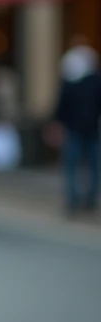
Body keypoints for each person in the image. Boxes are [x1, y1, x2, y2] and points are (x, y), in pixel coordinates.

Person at [49, 37, 101, 215]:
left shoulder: (70, 79)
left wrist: (56, 123)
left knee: (73, 167)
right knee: (92, 167)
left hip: (75, 128)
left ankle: (74, 200)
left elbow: (61, 105)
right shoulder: (94, 80)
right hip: (90, 128)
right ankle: (88, 199)